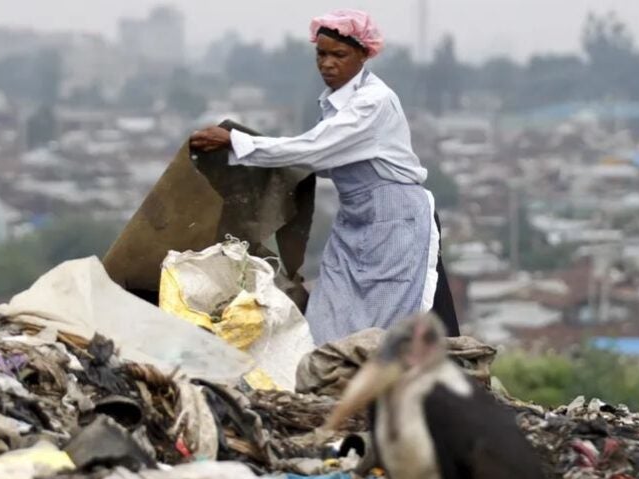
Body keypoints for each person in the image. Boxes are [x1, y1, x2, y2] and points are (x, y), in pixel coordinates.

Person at [190, 9, 459, 345]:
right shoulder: (335, 103)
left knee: (386, 323)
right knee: (328, 314)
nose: (328, 64)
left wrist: (239, 142)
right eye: (322, 54)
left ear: (363, 54)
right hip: (355, 220)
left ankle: (381, 393)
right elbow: (328, 160)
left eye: (339, 55)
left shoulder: (372, 102)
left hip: (394, 221)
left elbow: (316, 149)